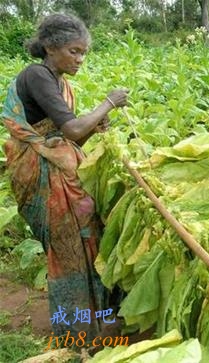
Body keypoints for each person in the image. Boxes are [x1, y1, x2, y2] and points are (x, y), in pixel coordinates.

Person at [1, 13, 128, 343]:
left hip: (60, 169)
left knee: (88, 236)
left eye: (83, 52)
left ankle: (96, 318)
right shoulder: (37, 75)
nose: (80, 59)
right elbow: (70, 129)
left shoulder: (59, 82)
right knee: (67, 248)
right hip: (41, 176)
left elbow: (72, 138)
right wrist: (108, 103)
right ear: (49, 47)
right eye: (74, 51)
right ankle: (74, 333)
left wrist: (94, 125)